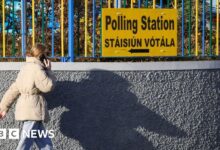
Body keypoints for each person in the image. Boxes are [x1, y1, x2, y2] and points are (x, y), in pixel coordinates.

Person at [0, 43, 56, 150]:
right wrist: (49, 70)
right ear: (41, 56)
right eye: (46, 54)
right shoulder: (37, 69)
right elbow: (48, 86)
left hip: (30, 111)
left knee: (46, 145)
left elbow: (14, 89)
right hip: (33, 111)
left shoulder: (25, 68)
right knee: (24, 143)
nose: (48, 57)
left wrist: (3, 107)